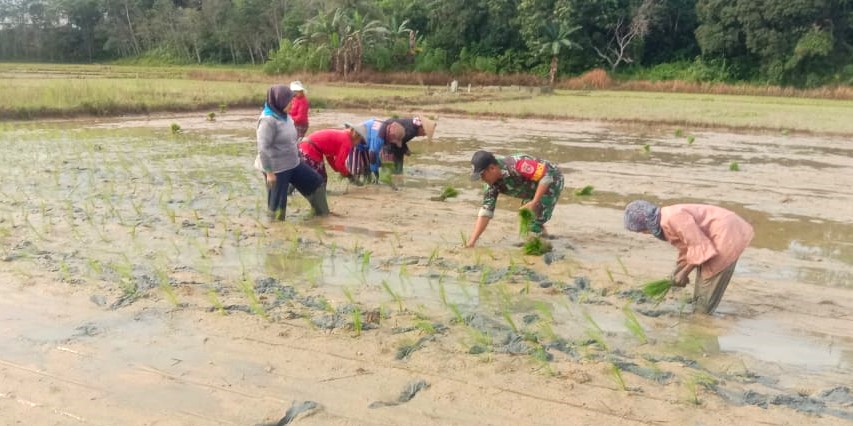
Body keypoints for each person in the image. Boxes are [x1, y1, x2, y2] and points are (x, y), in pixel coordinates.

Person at [623, 200, 754, 314]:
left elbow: (701, 247)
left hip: (726, 233)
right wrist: (677, 271)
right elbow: (687, 248)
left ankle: (703, 315)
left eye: (642, 230)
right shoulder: (665, 220)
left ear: (647, 225)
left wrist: (684, 273)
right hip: (715, 233)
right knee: (701, 282)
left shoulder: (674, 218)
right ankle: (700, 306)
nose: (645, 233)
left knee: (708, 282)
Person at [255, 84, 329, 220]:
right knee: (278, 205)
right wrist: (269, 172)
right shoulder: (268, 120)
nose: (292, 103)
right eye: (289, 101)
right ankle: (275, 228)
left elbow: (292, 140)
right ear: (279, 101)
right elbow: (263, 149)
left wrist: (299, 156)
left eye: (292, 100)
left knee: (316, 183)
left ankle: (322, 215)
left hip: (293, 163)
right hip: (277, 168)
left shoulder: (285, 116)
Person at [465, 150, 564, 248]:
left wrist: (534, 202)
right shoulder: (490, 186)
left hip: (552, 180)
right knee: (528, 217)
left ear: (492, 168)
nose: (482, 179)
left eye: (482, 175)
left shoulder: (517, 164)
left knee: (532, 225)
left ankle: (544, 250)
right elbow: (486, 212)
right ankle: (547, 239)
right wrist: (471, 242)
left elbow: (546, 176)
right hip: (531, 188)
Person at [298, 123, 368, 186]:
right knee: (320, 179)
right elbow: (339, 164)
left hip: (305, 146)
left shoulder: (343, 135)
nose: (358, 143)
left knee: (319, 177)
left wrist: (336, 169)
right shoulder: (347, 142)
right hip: (310, 149)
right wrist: (349, 176)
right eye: (360, 140)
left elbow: (329, 155)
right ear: (356, 136)